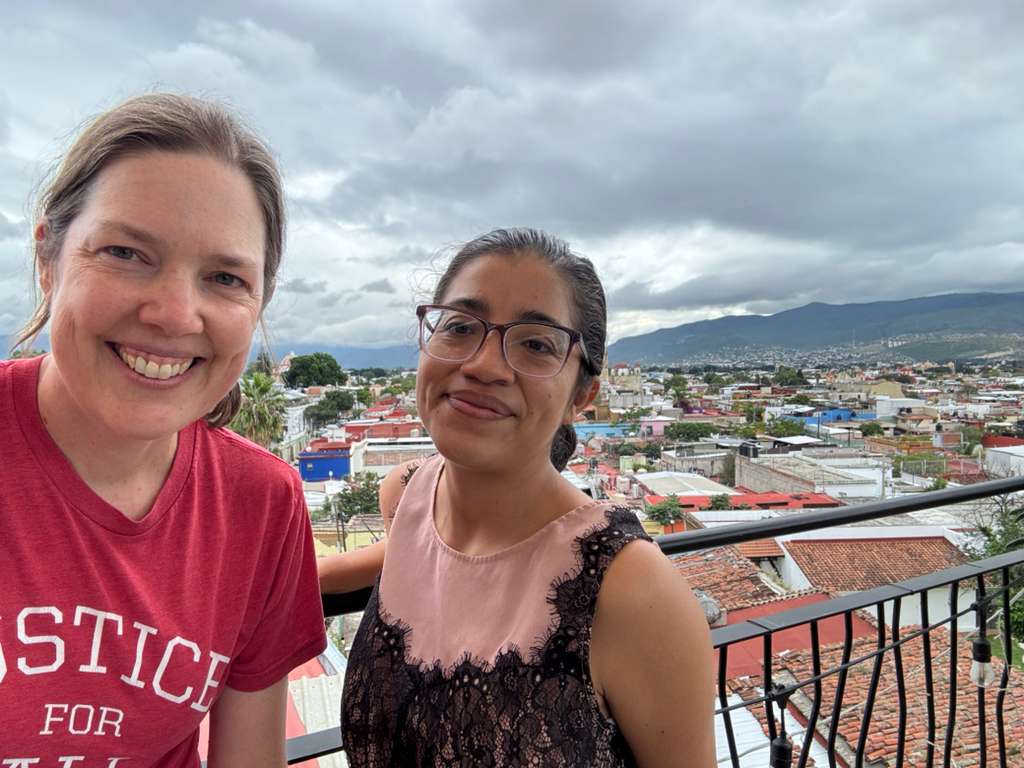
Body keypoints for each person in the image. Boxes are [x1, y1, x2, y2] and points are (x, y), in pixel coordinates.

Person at [0, 94, 326, 765]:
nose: (176, 313)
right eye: (125, 252)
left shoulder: (261, 503)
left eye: (225, 277)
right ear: (49, 260)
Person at [322, 229, 715, 766]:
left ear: (582, 395)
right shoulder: (408, 493)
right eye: (460, 326)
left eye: (535, 343)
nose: (484, 364)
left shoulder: (629, 590)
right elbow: (407, 563)